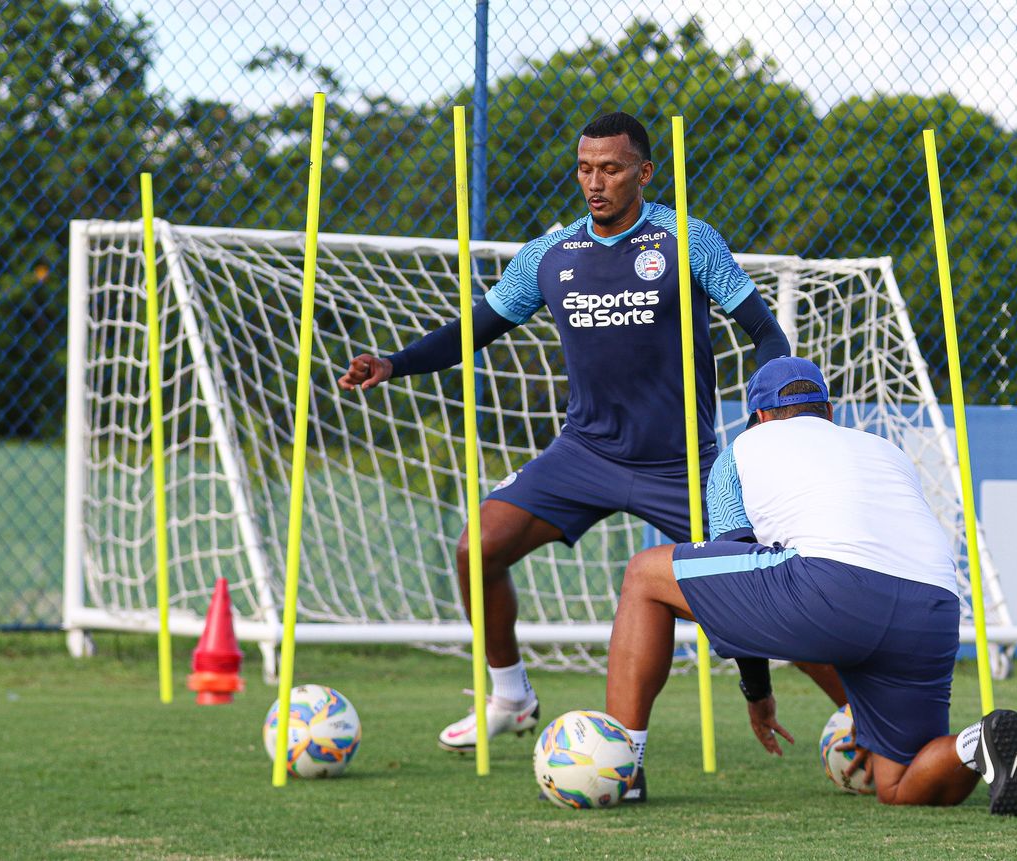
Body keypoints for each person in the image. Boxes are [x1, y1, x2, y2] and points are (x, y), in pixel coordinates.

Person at [338, 112, 797, 762]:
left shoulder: (686, 240)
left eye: (610, 168)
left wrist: (770, 406)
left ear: (642, 171)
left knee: (755, 592)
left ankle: (859, 717)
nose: (594, 182)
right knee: (479, 547)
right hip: (584, 454)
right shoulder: (550, 255)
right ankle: (510, 695)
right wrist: (393, 362)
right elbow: (474, 328)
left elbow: (765, 332)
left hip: (679, 463)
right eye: (585, 168)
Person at [603, 355, 1017, 814]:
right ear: (829, 412)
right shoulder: (884, 449)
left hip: (834, 588)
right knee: (897, 782)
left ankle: (623, 765)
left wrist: (757, 693)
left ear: (760, 418)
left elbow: (738, 568)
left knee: (644, 575)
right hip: (934, 608)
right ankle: (977, 744)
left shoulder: (742, 451)